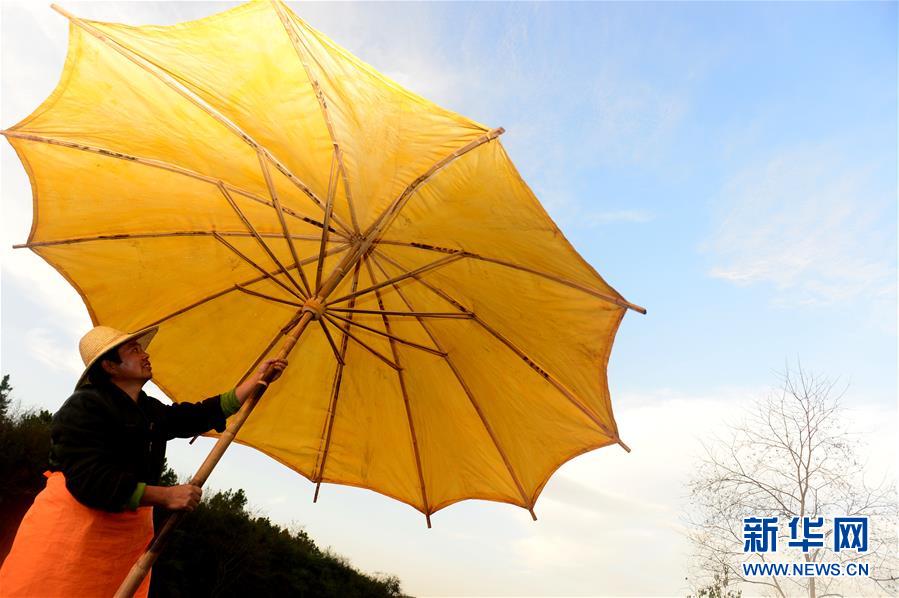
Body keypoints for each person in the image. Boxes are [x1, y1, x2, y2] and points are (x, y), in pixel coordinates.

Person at [0, 325, 286, 597]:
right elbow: (89, 479)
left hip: (122, 541)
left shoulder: (148, 409)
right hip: (70, 535)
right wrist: (165, 495)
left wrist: (256, 381)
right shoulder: (84, 407)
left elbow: (194, 416)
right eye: (135, 350)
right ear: (110, 366)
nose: (145, 354)